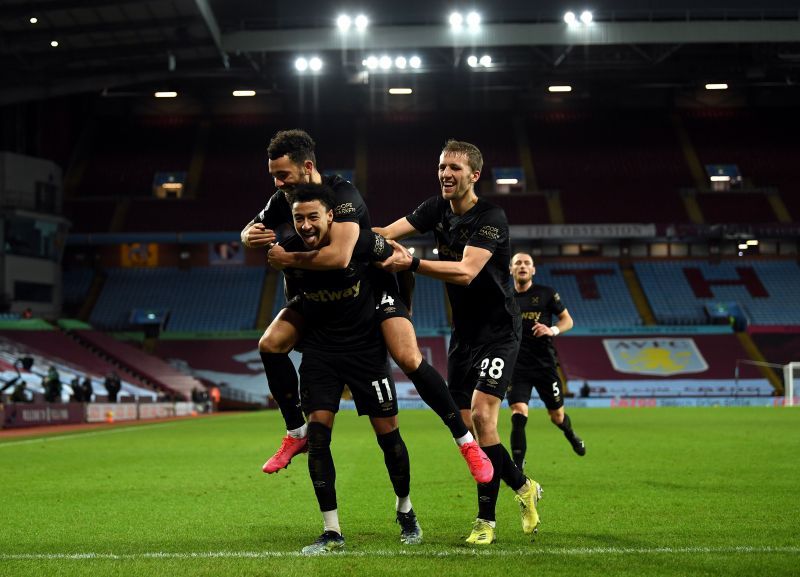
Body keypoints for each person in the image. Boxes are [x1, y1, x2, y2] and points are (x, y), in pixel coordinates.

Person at [240, 129, 491, 483]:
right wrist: (248, 234)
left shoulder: (344, 196)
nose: (277, 183)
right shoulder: (286, 198)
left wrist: (286, 257)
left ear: (307, 166)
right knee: (270, 344)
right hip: (324, 296)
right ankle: (296, 433)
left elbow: (340, 257)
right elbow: (253, 226)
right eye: (274, 176)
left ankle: (466, 443)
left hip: (373, 284)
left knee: (408, 357)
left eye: (282, 175)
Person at [374, 140, 541, 545]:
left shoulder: (491, 217)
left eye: (455, 168)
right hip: (463, 336)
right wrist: (345, 238)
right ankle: (522, 485)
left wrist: (410, 262)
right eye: (441, 166)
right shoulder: (435, 208)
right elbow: (383, 233)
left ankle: (486, 521)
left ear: (474, 175)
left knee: (484, 419)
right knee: (464, 428)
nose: (446, 174)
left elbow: (466, 272)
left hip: (500, 331)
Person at [281, 182, 422, 554]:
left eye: (313, 217)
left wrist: (402, 313)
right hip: (321, 354)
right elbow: (292, 297)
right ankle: (332, 531)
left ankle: (405, 509)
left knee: (388, 438)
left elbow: (401, 262)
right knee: (318, 440)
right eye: (299, 218)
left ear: (331, 216)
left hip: (365, 351)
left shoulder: (360, 244)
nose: (306, 225)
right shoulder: (288, 252)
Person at [507, 252, 584, 472]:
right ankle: (518, 468)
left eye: (527, 263)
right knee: (518, 413)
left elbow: (568, 320)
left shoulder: (546, 294)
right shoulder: (505, 296)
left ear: (533, 270)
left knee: (557, 416)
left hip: (545, 365)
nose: (522, 266)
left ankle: (570, 434)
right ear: (511, 269)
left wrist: (552, 329)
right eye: (518, 263)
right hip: (517, 366)